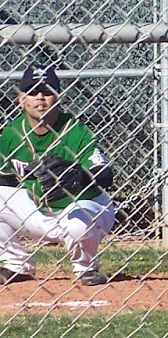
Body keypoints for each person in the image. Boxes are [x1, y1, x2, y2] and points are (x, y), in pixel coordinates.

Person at [0, 62, 116, 285]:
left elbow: (105, 174)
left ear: (58, 98)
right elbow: (4, 178)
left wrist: (80, 176)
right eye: (33, 92)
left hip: (85, 208)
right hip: (38, 210)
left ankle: (87, 268)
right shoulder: (11, 134)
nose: (40, 98)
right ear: (21, 99)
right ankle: (16, 265)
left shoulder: (75, 130)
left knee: (78, 220)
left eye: (47, 92)